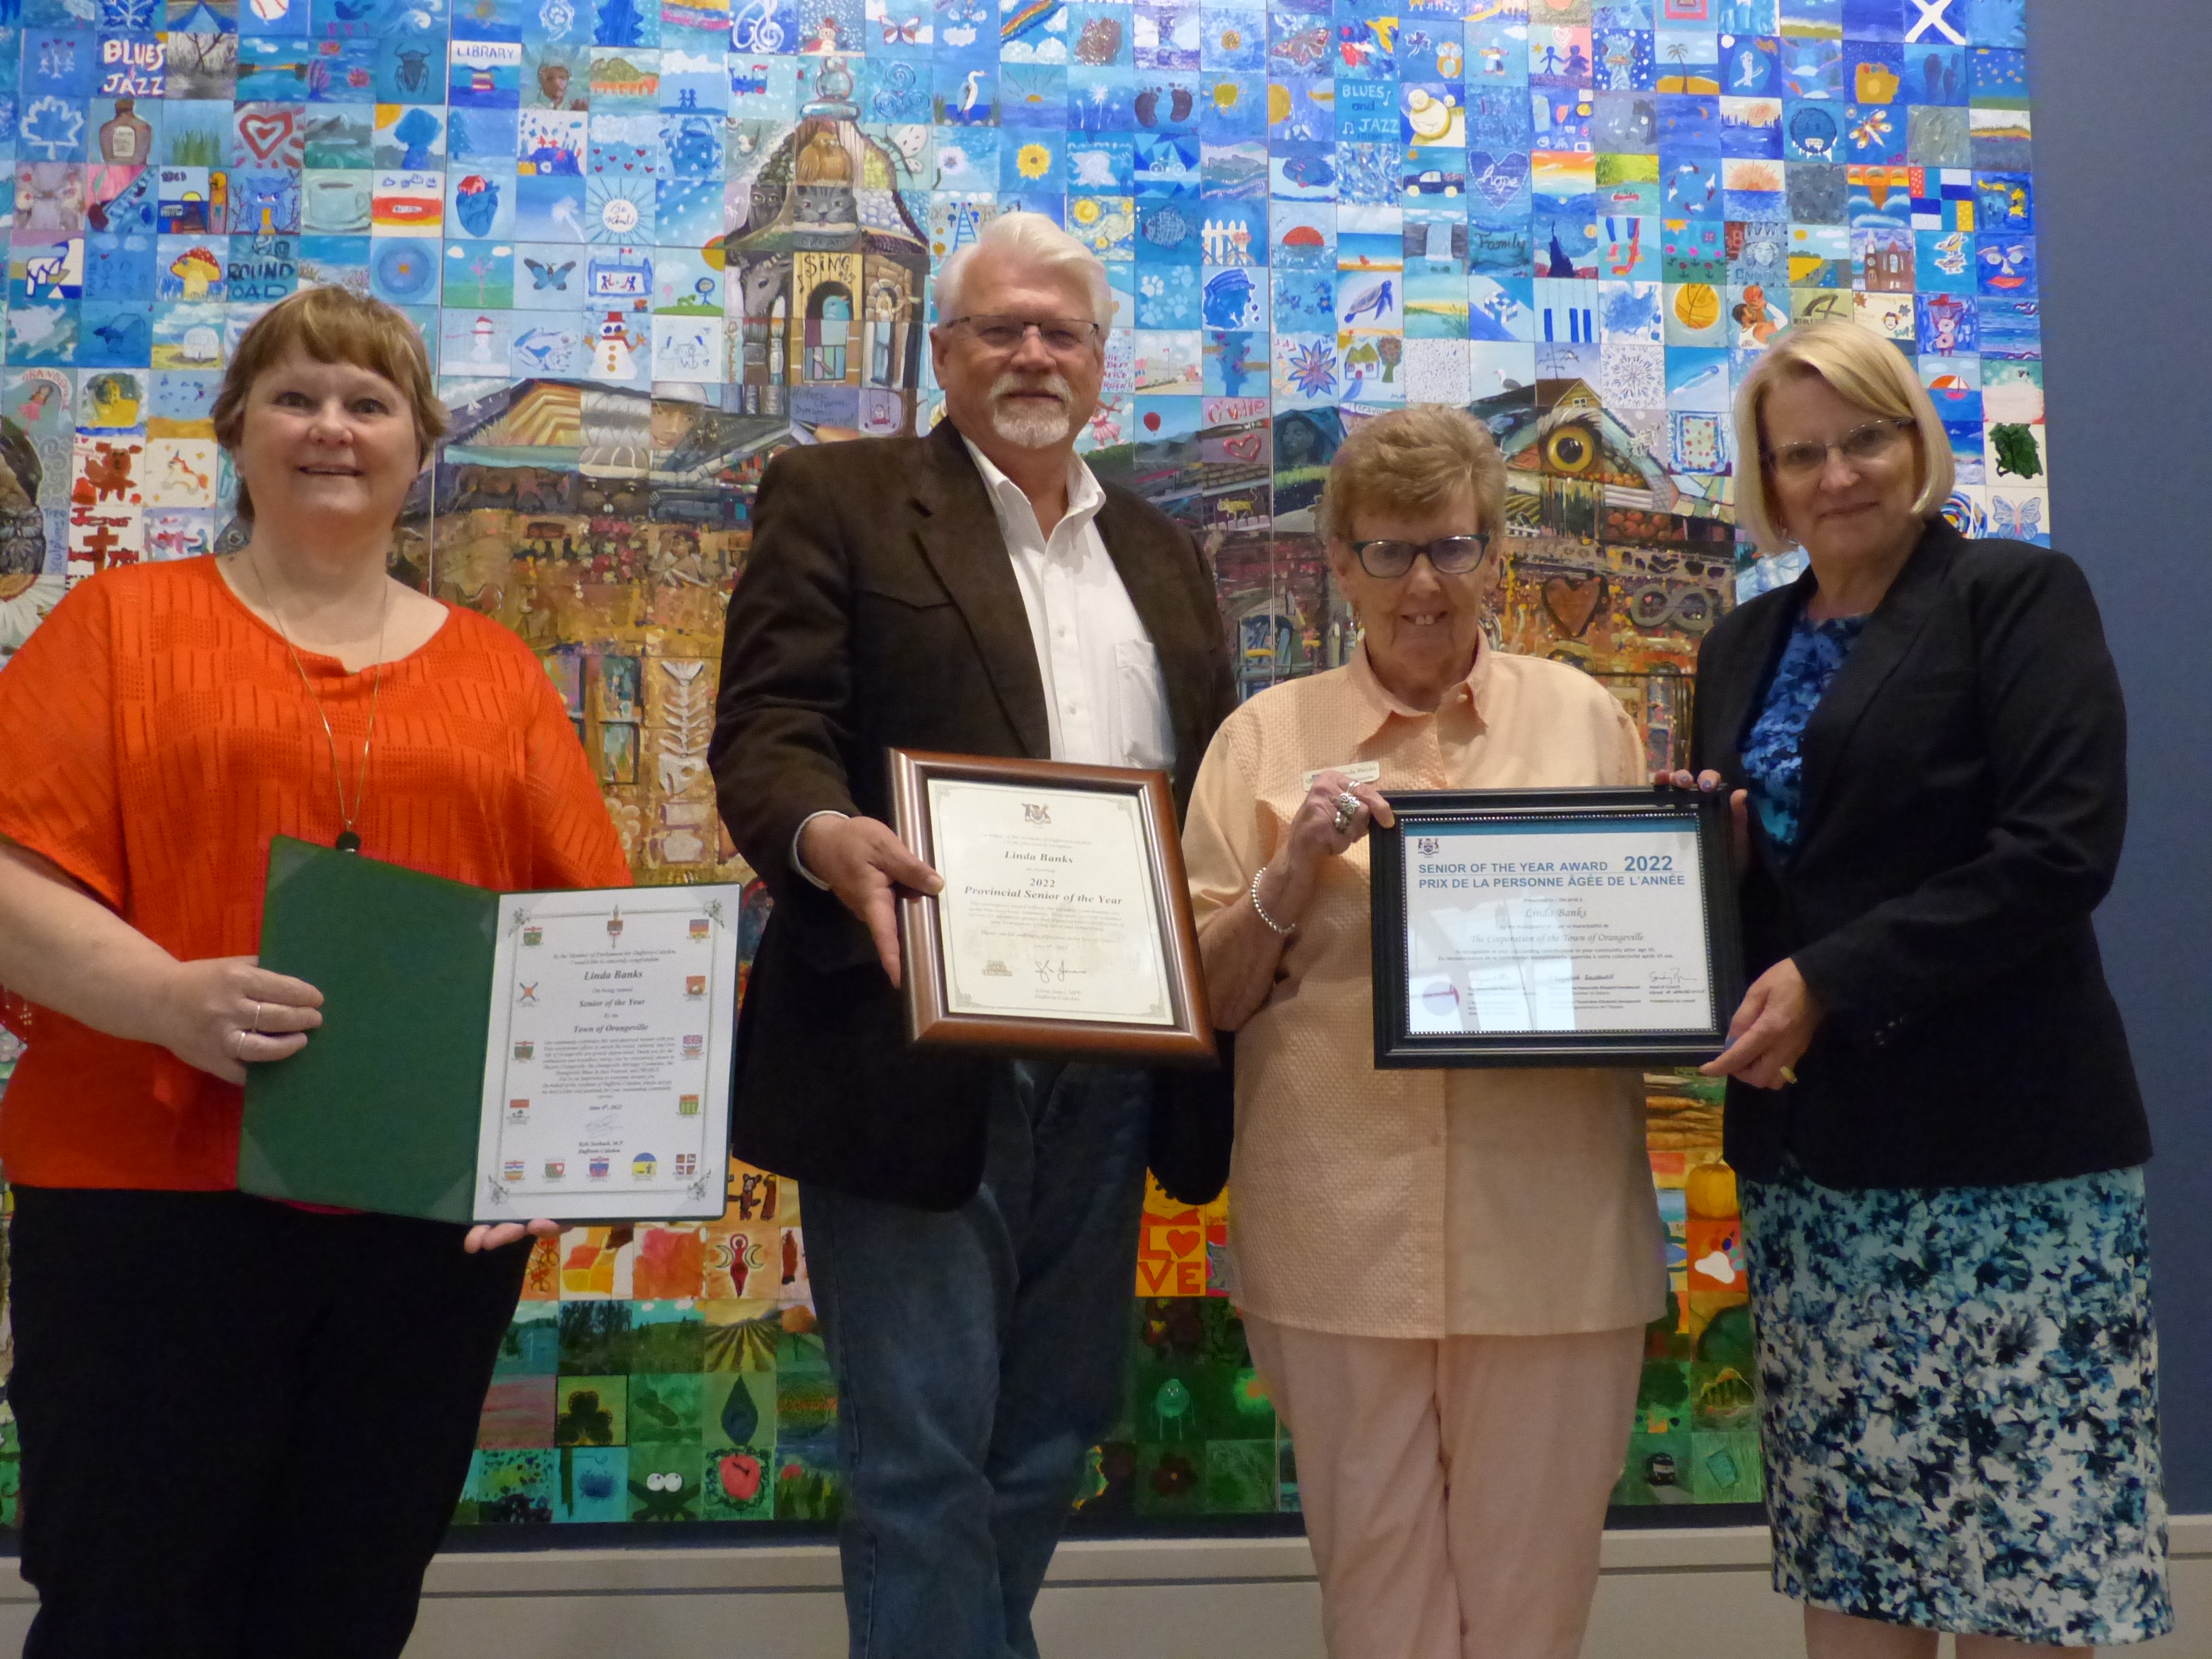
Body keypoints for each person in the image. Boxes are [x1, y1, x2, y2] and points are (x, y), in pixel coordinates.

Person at [0, 285, 630, 1655]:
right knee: (126, 1607)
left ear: (417, 450)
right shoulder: (114, 628)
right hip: (141, 1215)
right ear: (237, 431)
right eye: (295, 397)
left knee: (346, 1609)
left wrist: (552, 1157)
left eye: (368, 403)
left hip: (416, 1241)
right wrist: (167, 1000)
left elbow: (590, 945)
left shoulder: (501, 675)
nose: (330, 428)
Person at [708, 211, 1235, 1658]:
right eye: (999, 327)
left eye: (1060, 331)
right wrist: (823, 837)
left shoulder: (1169, 555)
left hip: (1118, 1061)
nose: (1031, 353)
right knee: (923, 1458)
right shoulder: (839, 497)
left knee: (1049, 1439)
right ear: (942, 352)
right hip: (911, 1045)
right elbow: (768, 732)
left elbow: (1213, 785)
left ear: (1100, 362)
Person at [1671, 320, 2169, 1655]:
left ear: (1917, 442)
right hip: (1819, 1177)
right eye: (1800, 454)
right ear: (1762, 481)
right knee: (1858, 1559)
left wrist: (1831, 978)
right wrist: (1707, 872)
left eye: (1865, 439)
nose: (1836, 476)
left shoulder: (2012, 595)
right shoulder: (1739, 644)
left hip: (2004, 1170)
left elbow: (2060, 849)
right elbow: (1780, 879)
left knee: (2021, 1563)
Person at [1180, 404, 1666, 1659]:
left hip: (1551, 1250)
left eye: (1449, 548)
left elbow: (1652, 979)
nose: (1420, 584)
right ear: (1338, 564)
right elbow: (1203, 998)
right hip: (1342, 1249)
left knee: (1529, 1615)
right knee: (1379, 1614)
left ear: (1493, 553)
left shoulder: (1586, 724)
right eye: (1388, 553)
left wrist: (1684, 913)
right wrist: (1290, 871)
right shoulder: (1260, 742)